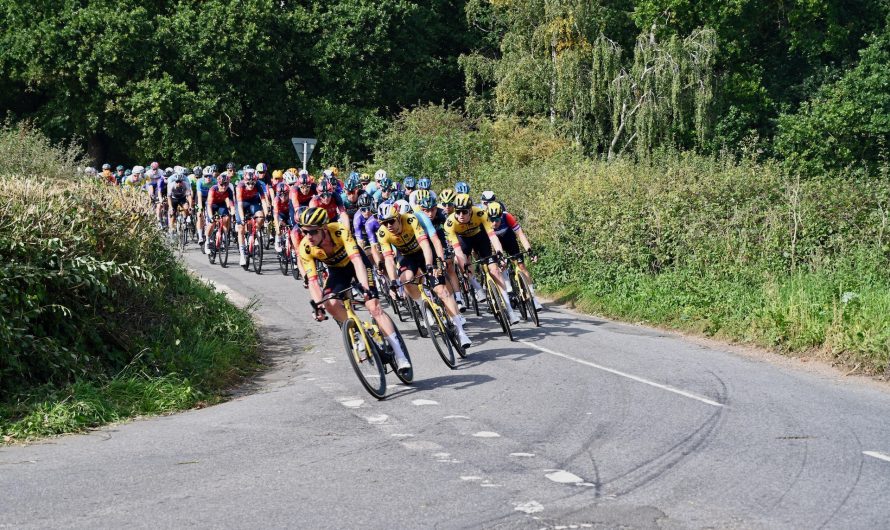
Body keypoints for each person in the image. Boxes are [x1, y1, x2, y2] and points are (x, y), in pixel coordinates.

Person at [298, 207, 411, 373]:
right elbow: (314, 282)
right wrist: (319, 306)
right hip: (337, 271)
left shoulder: (339, 231)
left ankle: (400, 355)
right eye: (304, 231)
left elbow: (357, 262)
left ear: (323, 229)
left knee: (373, 306)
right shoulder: (306, 247)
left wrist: (366, 289)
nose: (308, 236)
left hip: (357, 264)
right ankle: (357, 332)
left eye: (313, 232)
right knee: (329, 303)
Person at [376, 203, 472, 348]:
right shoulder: (382, 233)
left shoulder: (410, 220)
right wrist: (394, 281)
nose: (388, 225)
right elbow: (389, 259)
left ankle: (460, 332)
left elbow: (426, 245)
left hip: (423, 252)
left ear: (398, 218)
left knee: (441, 291)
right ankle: (423, 306)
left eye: (391, 221)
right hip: (406, 256)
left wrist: (430, 265)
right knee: (405, 279)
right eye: (384, 223)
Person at [444, 193, 520, 324]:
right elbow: (457, 250)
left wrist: (499, 253)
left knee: (495, 270)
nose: (461, 215)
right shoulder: (450, 223)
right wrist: (464, 265)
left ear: (471, 209)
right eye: (458, 212)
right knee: (463, 264)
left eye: (464, 212)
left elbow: (493, 237)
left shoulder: (480, 213)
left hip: (480, 238)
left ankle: (510, 311)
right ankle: (478, 287)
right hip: (463, 240)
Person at [486, 202, 543, 311]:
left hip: (508, 238)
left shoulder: (507, 217)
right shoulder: (485, 221)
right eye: (491, 220)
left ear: (501, 216)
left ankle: (533, 298)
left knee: (521, 266)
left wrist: (529, 250)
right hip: (494, 242)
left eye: (497, 220)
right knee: (500, 266)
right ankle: (508, 289)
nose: (494, 223)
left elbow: (520, 234)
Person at [234, 168, 270, 266]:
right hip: (242, 203)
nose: (251, 185)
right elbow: (240, 206)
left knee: (260, 216)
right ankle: (242, 255)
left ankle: (254, 234)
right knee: (241, 227)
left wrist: (266, 216)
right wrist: (242, 219)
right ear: (245, 182)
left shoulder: (258, 184)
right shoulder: (240, 186)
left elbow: (263, 201)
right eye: (248, 183)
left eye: (253, 183)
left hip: (253, 201)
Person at [204, 173, 235, 254]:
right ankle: (207, 241)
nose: (224, 187)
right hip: (212, 205)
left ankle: (224, 236)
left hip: (221, 204)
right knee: (211, 223)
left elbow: (231, 204)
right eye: (221, 185)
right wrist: (211, 217)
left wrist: (233, 213)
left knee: (227, 218)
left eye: (226, 184)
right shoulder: (213, 189)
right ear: (218, 183)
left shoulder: (229, 190)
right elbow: (209, 205)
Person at [167, 170, 194, 236]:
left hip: (182, 198)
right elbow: (169, 197)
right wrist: (170, 207)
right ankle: (172, 229)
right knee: (172, 213)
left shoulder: (186, 184)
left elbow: (189, 196)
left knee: (186, 207)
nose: (179, 183)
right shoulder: (171, 185)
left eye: (180, 182)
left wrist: (190, 206)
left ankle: (186, 219)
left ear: (182, 181)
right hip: (173, 199)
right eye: (177, 182)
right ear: (174, 181)